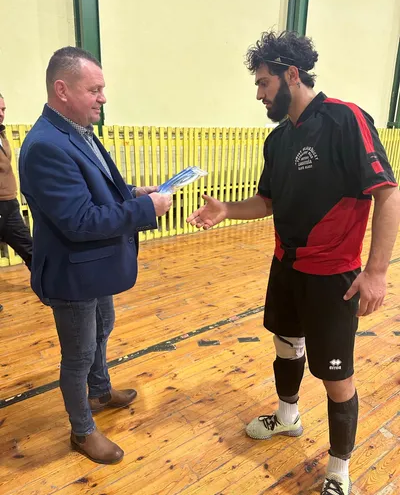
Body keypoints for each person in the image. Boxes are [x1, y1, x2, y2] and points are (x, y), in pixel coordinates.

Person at [187, 31, 400, 495]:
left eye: (263, 83)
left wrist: (377, 272)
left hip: (333, 277)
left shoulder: (345, 118)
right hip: (286, 267)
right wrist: (227, 209)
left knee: (336, 377)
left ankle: (339, 471)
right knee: (285, 345)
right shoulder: (278, 139)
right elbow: (267, 201)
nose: (259, 95)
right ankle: (288, 417)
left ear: (291, 75)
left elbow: (388, 194)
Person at [19, 47, 172, 465]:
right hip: (72, 273)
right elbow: (80, 220)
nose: (103, 97)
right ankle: (82, 431)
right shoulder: (46, 145)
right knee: (78, 355)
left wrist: (135, 194)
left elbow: (95, 190)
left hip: (93, 266)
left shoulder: (75, 130)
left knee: (103, 327)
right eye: (95, 89)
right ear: (62, 89)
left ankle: (100, 391)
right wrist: (146, 209)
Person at [0, 93, 33, 313]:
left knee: (29, 248)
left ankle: (48, 286)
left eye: (3, 109)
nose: (1, 113)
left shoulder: (2, 135)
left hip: (9, 204)